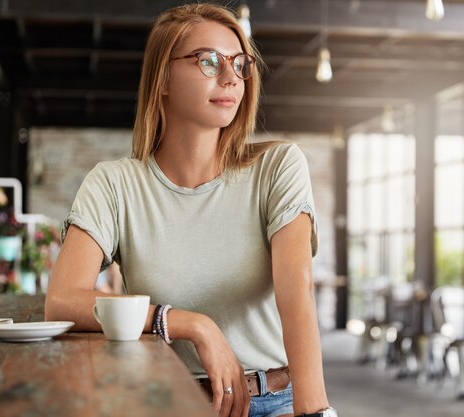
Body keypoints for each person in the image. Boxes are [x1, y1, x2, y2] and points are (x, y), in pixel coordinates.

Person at [45, 4, 337, 417]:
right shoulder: (114, 184)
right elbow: (62, 301)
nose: (230, 77)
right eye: (208, 61)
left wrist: (314, 412)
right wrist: (190, 324)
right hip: (165, 400)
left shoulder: (278, 167)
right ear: (162, 77)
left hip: (274, 401)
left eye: (239, 64)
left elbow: (297, 291)